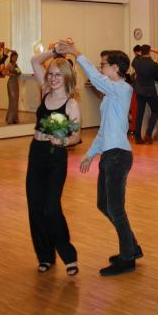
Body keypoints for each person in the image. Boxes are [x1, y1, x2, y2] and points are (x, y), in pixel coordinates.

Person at [55, 39, 142, 277]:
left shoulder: (123, 89)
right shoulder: (111, 94)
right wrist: (90, 154)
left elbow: (95, 78)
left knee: (116, 208)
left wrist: (77, 53)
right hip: (110, 154)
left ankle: (128, 258)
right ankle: (132, 247)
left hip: (118, 156)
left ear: (115, 68)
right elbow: (104, 130)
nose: (100, 67)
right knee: (104, 204)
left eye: (103, 64)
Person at [27, 46, 82, 275]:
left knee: (51, 208)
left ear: (67, 76)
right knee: (35, 208)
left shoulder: (71, 103)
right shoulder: (45, 92)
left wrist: (63, 141)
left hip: (56, 157)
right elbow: (34, 61)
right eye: (50, 74)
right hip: (36, 153)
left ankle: (69, 257)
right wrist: (55, 51)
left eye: (58, 74)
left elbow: (76, 136)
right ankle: (45, 257)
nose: (53, 78)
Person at [132, 44, 158, 144]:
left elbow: (135, 59)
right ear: (149, 52)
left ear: (141, 52)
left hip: (139, 91)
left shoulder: (136, 62)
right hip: (150, 92)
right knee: (155, 111)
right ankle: (148, 134)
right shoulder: (153, 64)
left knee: (139, 114)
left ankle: (137, 138)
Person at [4, 50, 21, 125]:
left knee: (15, 101)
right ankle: (10, 119)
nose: (16, 59)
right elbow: (4, 72)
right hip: (11, 83)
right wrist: (12, 74)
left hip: (16, 83)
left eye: (17, 57)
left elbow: (19, 72)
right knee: (12, 101)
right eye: (14, 57)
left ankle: (14, 118)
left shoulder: (16, 64)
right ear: (11, 57)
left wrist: (18, 72)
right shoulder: (9, 64)